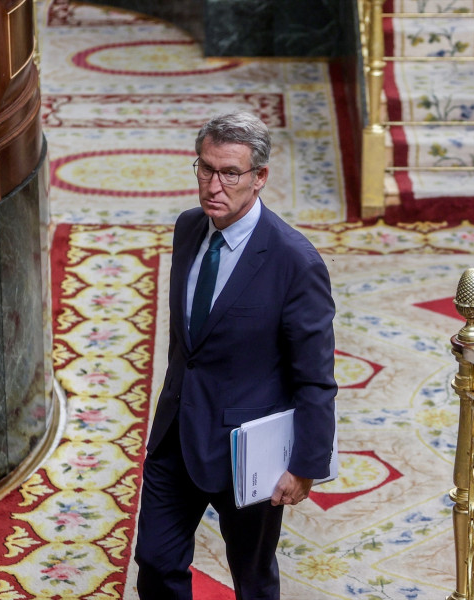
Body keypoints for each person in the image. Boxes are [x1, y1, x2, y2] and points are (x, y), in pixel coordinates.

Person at [133, 111, 337, 600]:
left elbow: (315, 377)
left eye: (229, 173)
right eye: (205, 168)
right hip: (177, 435)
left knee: (253, 578)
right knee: (156, 562)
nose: (212, 185)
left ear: (259, 178)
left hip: (247, 454)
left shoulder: (295, 261)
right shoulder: (188, 229)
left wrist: (305, 464)